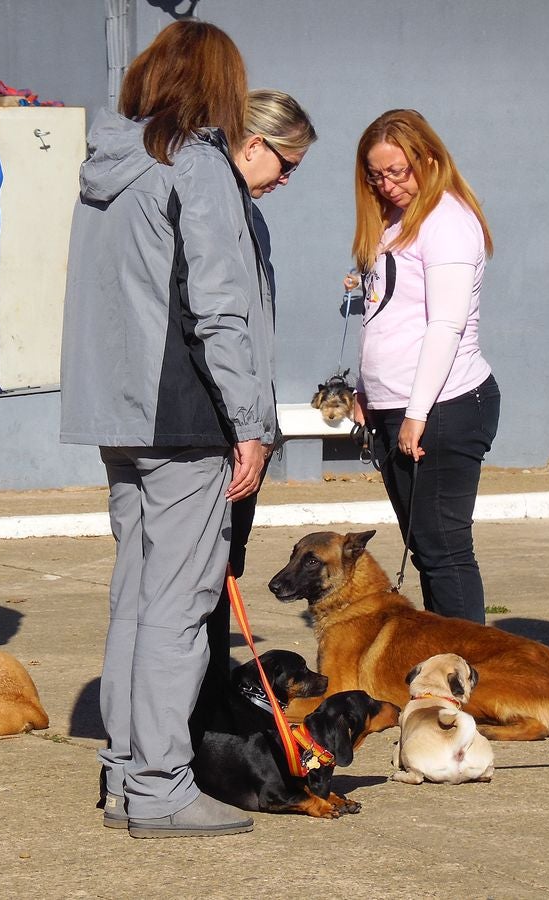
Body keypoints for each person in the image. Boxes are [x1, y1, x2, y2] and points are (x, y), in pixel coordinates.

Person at [60, 21, 276, 839]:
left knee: (135, 600)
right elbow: (220, 306)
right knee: (177, 609)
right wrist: (252, 422)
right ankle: (156, 784)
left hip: (118, 415)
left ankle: (126, 774)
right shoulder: (199, 166)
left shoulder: (107, 168)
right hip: (184, 414)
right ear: (219, 86)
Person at [349, 109, 500, 624]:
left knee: (445, 552)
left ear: (428, 159)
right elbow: (385, 313)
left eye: (398, 171)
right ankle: (441, 676)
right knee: (427, 553)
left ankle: (468, 682)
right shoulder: (393, 223)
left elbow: (445, 326)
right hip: (397, 408)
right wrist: (366, 387)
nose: (387, 184)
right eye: (376, 174)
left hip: (445, 405)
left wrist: (416, 413)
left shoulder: (448, 221)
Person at [202, 89, 317, 694]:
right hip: (216, 427)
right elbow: (221, 329)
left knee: (227, 568)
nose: (288, 180)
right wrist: (247, 426)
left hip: (247, 423)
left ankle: (214, 697)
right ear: (253, 146)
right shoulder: (210, 214)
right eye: (287, 165)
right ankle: (198, 708)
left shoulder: (253, 220)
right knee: (202, 574)